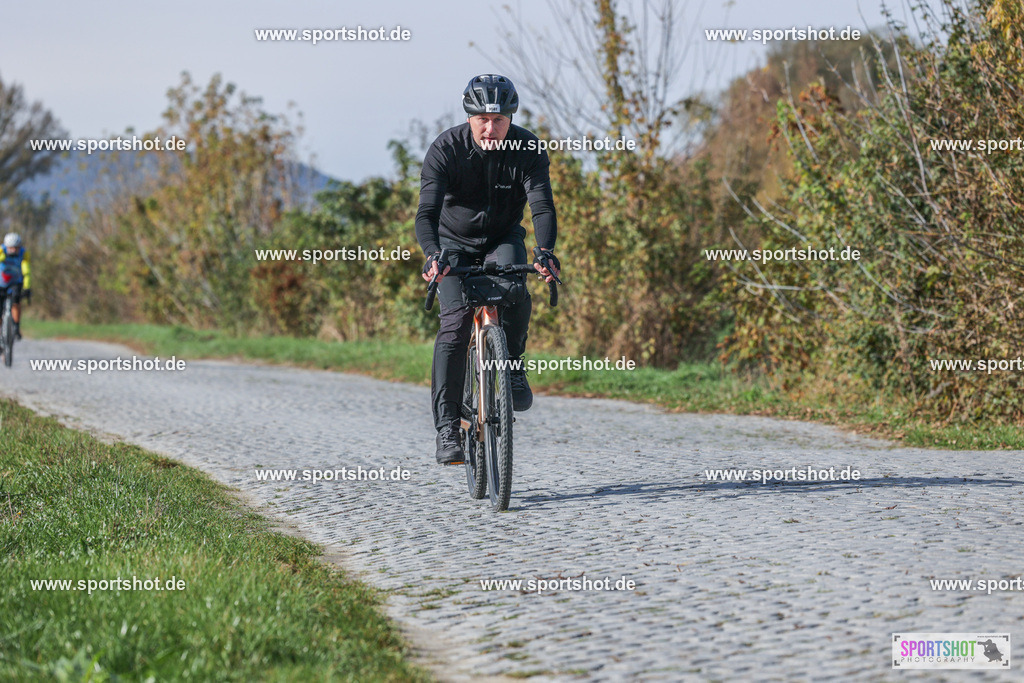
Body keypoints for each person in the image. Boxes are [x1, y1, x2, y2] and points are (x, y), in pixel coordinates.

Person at [416, 74, 561, 465]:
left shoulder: (527, 148)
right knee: (455, 323)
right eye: (482, 119)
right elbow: (426, 214)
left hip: (502, 238)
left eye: (498, 120)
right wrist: (432, 256)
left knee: (516, 290)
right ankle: (447, 427)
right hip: (452, 245)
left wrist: (545, 252)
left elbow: (542, 207)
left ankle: (512, 367)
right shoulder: (446, 148)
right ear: (469, 117)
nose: (490, 128)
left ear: (511, 118)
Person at [0, 233, 31, 339]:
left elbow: (26, 272)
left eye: (16, 248)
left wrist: (27, 287)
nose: (13, 250)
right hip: (1, 283)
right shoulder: (1, 251)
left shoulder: (23, 253)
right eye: (11, 248)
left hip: (15, 282)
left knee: (16, 302)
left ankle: (16, 328)